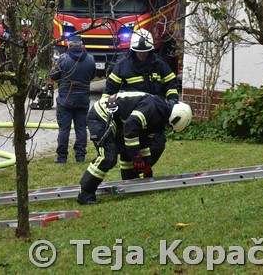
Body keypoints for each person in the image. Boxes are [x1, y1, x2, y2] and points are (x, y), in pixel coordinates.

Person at [77, 91, 192, 205]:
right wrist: (137, 157)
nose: (166, 127)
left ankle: (130, 182)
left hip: (116, 120)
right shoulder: (152, 109)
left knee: (128, 150)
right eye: (169, 125)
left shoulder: (159, 116)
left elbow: (143, 142)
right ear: (174, 118)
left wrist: (146, 164)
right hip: (100, 116)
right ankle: (85, 193)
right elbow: (130, 127)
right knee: (108, 157)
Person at [102, 28, 180, 176]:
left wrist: (172, 101)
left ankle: (145, 168)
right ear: (132, 50)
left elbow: (171, 84)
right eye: (138, 52)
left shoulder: (159, 64)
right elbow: (109, 92)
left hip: (154, 114)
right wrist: (109, 115)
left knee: (158, 144)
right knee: (128, 150)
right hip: (130, 117)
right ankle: (129, 179)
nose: (142, 55)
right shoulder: (122, 65)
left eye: (145, 52)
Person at [50, 35, 96, 164]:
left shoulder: (63, 59)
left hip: (65, 100)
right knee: (81, 129)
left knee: (64, 129)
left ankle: (62, 157)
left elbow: (53, 76)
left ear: (69, 45)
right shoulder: (90, 59)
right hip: (83, 100)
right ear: (82, 45)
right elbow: (92, 76)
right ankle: (80, 156)